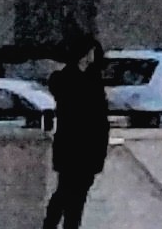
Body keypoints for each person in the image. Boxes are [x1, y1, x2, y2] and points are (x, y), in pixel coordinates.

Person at [42, 38, 109, 229]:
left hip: (89, 146)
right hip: (72, 144)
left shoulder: (93, 79)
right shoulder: (64, 79)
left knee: (78, 196)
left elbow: (99, 116)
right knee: (65, 192)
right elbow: (73, 106)